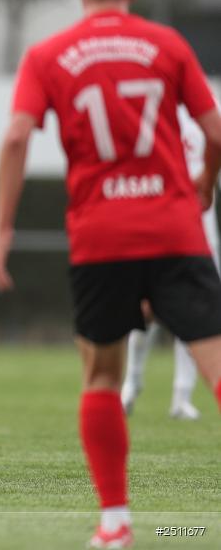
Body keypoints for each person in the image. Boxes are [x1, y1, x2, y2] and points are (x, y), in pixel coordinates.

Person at [0, 0, 221, 547]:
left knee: (101, 377)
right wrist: (204, 184)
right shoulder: (166, 44)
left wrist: (4, 230)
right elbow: (215, 130)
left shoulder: (46, 55)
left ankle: (115, 525)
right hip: (174, 229)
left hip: (101, 238)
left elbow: (16, 136)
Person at [122, 106, 221, 420]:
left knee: (195, 312)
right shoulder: (149, 111)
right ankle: (131, 382)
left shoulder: (207, 113)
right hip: (159, 223)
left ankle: (181, 396)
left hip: (201, 230)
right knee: (146, 307)